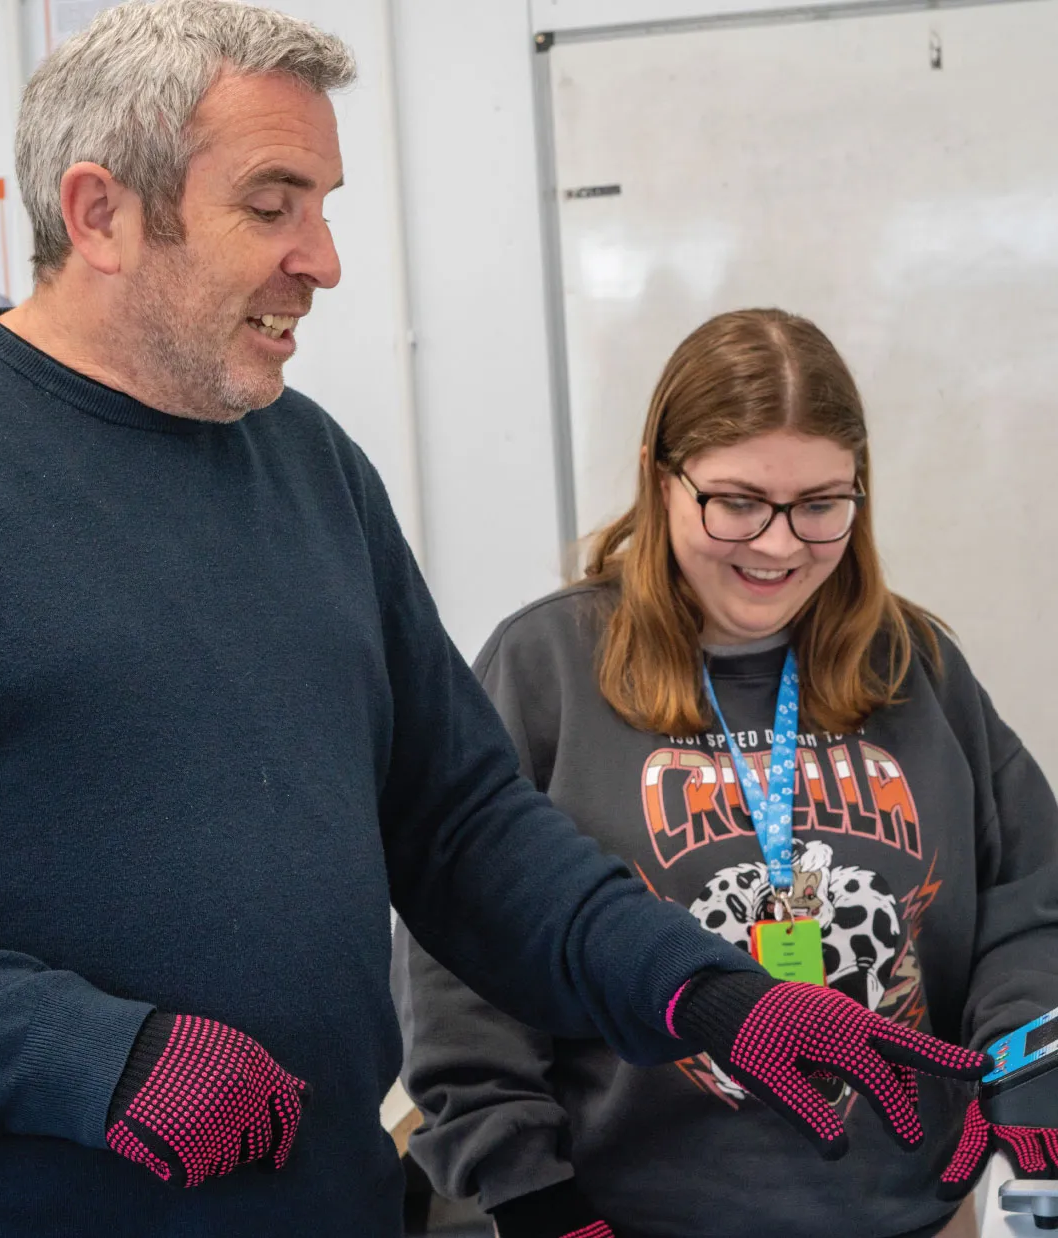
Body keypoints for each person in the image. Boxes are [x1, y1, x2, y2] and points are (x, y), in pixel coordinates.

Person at [0, 8, 989, 1235]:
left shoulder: (310, 468)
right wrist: (88, 1054)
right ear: (99, 213)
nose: (325, 257)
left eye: (326, 202)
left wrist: (708, 994)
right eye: (272, 203)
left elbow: (460, 827)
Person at [392, 309, 1058, 1238]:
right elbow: (461, 955)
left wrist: (1030, 1064)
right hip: (631, 1219)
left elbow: (1029, 899)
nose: (780, 546)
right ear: (660, 479)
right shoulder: (546, 666)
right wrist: (533, 1195)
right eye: (737, 502)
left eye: (821, 504)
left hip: (916, 1215)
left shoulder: (913, 665)